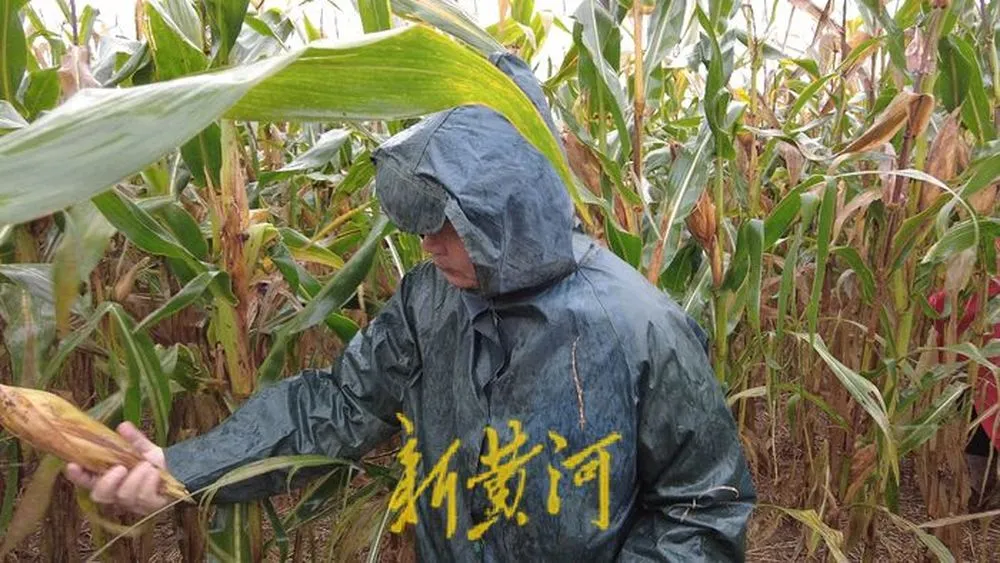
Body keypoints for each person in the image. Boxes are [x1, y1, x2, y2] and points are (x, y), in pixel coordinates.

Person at [66, 52, 756, 561]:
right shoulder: (431, 300)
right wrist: (181, 467)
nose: (427, 245)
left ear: (510, 207)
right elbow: (336, 406)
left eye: (448, 221)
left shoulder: (640, 328)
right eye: (419, 225)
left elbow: (702, 507)